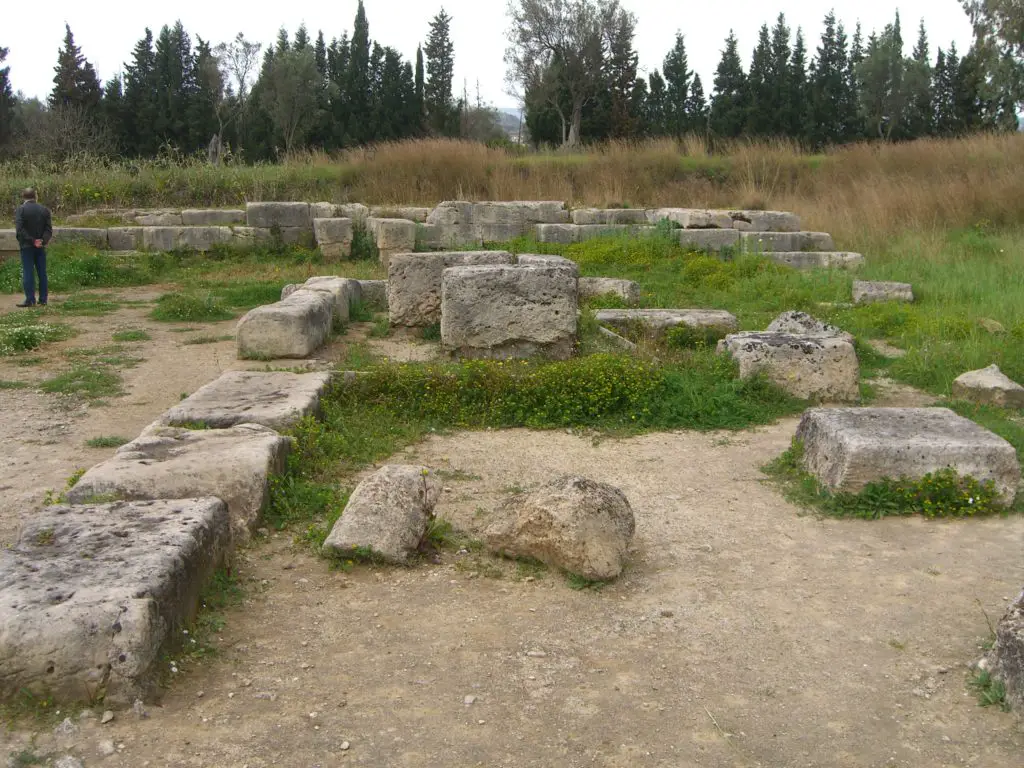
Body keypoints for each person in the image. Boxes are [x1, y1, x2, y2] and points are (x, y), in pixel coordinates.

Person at [14, 188, 52, 307]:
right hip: (40, 246)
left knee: (28, 272)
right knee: (42, 272)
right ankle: (43, 299)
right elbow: (48, 229)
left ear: (23, 196)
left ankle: (30, 299)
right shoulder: (44, 210)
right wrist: (42, 240)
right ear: (35, 196)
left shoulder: (22, 209)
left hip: (27, 246)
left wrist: (31, 240)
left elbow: (20, 229)